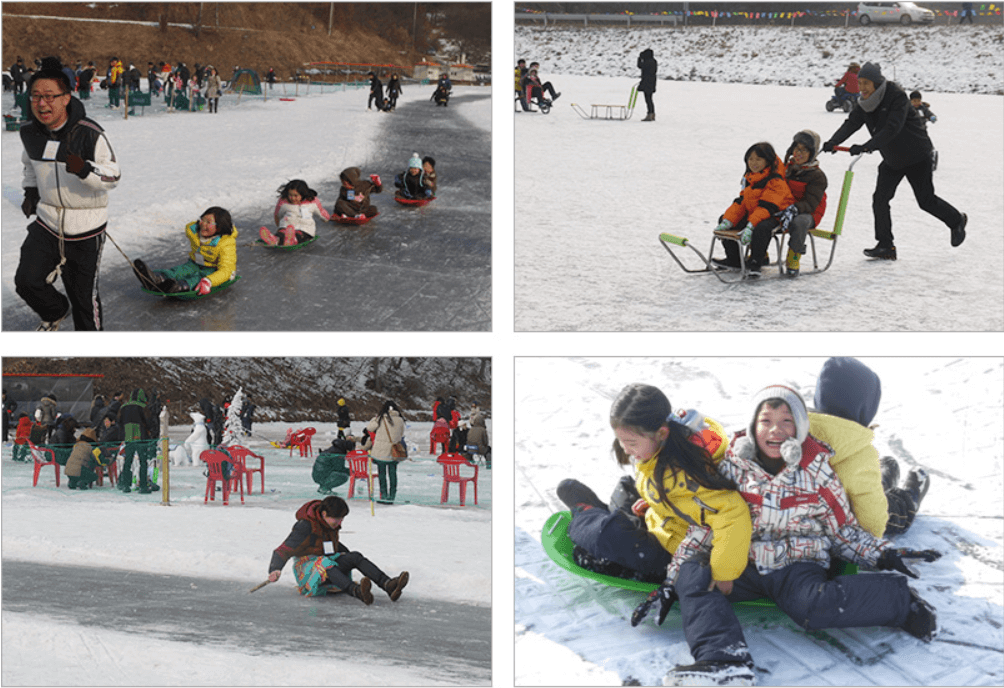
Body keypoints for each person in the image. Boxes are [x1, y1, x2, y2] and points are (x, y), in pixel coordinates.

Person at [633, 385, 941, 685]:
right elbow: (708, 524)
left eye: (786, 422)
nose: (775, 430)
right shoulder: (731, 468)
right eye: (765, 421)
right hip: (744, 564)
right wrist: (673, 580)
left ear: (800, 429)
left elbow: (842, 530)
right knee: (695, 573)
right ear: (753, 427)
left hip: (796, 565)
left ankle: (899, 600)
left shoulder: (816, 472)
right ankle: (725, 661)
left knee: (813, 606)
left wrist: (883, 552)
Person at [557, 384, 752, 587]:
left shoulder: (689, 475)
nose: (625, 449)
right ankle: (601, 516)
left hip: (675, 550)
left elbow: (732, 515)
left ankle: (586, 513)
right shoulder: (664, 446)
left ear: (661, 433)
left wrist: (723, 574)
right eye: (621, 441)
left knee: (606, 536)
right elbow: (678, 497)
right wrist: (653, 503)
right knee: (626, 487)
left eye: (631, 443)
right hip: (663, 521)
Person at [15, 57, 121, 331]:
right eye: (36, 96)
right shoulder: (31, 133)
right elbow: (29, 165)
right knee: (27, 280)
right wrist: (30, 191)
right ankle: (56, 310)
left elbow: (113, 175)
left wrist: (86, 169)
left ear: (66, 97)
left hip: (86, 227)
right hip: (48, 221)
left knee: (84, 297)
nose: (42, 104)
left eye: (50, 96)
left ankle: (91, 353)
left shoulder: (90, 134)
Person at [823, 62, 966, 260]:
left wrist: (868, 145)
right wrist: (833, 142)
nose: (862, 88)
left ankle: (957, 220)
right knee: (880, 199)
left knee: (925, 201)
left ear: (877, 82)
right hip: (892, 158)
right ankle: (886, 245)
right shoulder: (864, 102)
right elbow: (852, 123)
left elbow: (892, 128)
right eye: (860, 83)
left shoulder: (895, 96)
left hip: (916, 155)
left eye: (866, 83)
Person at [810, 357, 930, 538]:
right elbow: (873, 524)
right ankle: (909, 499)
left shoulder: (794, 428)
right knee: (886, 505)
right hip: (845, 529)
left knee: (864, 486)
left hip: (803, 520)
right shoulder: (860, 456)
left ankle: (882, 481)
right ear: (865, 409)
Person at [268, 495, 409, 603]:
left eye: (342, 519)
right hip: (307, 570)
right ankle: (357, 591)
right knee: (325, 563)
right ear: (324, 514)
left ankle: (388, 585)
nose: (340, 523)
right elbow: (283, 549)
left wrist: (349, 559)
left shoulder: (329, 525)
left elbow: (333, 546)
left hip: (325, 562)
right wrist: (275, 568)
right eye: (337, 519)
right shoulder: (305, 525)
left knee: (355, 556)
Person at [710, 142, 794, 278]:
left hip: (775, 215)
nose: (753, 163)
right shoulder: (751, 178)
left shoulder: (776, 181)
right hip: (755, 213)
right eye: (750, 159)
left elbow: (767, 207)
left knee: (761, 227)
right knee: (725, 218)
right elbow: (742, 202)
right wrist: (728, 220)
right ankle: (734, 259)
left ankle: (756, 262)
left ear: (767, 161)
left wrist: (751, 225)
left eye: (758, 159)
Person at [131, 207, 237, 295]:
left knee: (197, 278)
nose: (203, 224)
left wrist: (209, 281)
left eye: (208, 222)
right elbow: (190, 228)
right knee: (179, 271)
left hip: (213, 269)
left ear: (219, 228)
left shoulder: (226, 244)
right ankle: (156, 278)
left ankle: (179, 286)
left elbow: (226, 269)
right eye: (202, 219)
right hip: (194, 263)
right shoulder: (195, 232)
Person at [779, 130, 828, 278]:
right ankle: (760, 254)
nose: (799, 153)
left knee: (799, 222)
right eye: (797, 148)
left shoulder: (817, 176)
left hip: (809, 212)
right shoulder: (786, 169)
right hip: (787, 207)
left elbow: (811, 203)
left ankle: (794, 257)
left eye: (805, 150)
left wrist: (794, 208)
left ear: (812, 154)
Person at [259, 179, 330, 246]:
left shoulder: (311, 202)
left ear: (303, 194)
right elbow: (277, 215)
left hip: (305, 228)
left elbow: (321, 211)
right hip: (287, 226)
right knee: (282, 232)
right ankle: (275, 239)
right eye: (290, 195)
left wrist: (326, 218)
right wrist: (279, 226)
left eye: (295, 196)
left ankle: (292, 239)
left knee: (300, 234)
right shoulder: (284, 202)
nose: (292, 198)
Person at [362, 400, 406, 504]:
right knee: (392, 474)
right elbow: (401, 434)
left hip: (381, 451)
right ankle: (392, 497)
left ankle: (384, 496)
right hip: (394, 450)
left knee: (382, 474)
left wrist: (375, 418)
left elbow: (369, 428)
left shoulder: (381, 418)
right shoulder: (400, 420)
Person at [637, 48, 657, 122]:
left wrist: (639, 59)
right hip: (652, 82)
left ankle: (650, 114)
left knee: (648, 99)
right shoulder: (653, 61)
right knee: (649, 99)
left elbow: (640, 66)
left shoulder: (647, 62)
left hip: (647, 82)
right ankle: (652, 114)